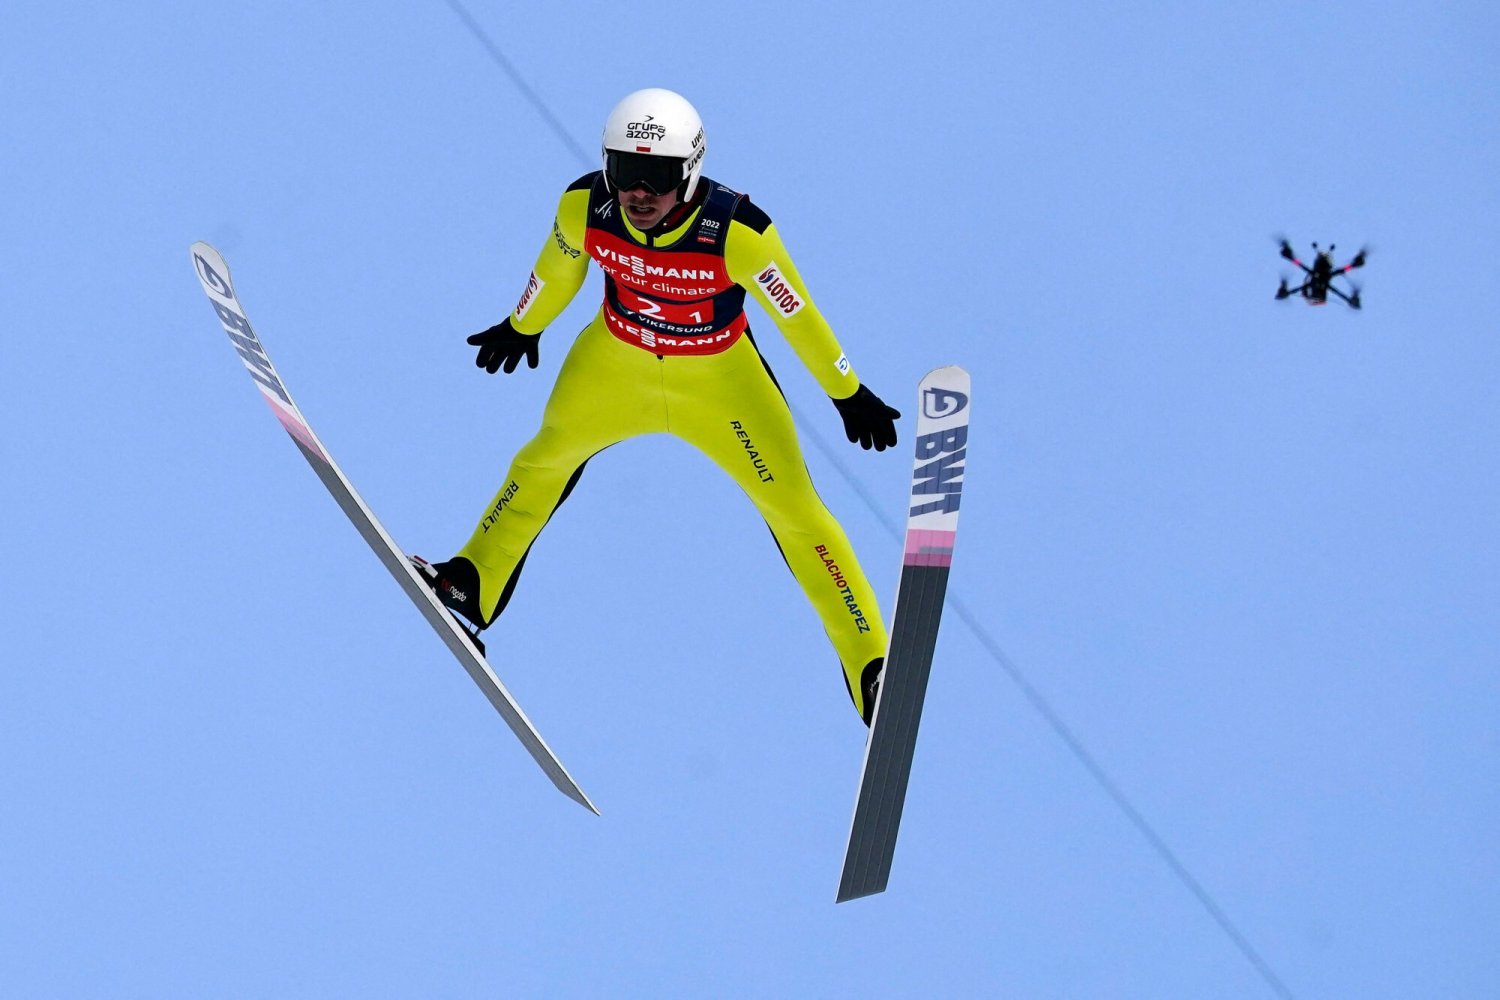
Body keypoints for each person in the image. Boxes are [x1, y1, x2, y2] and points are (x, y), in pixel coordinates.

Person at [413, 88, 901, 724]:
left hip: (721, 385)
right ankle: (471, 584)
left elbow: (796, 315)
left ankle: (871, 663)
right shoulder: (585, 206)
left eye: (659, 177)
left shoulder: (739, 233)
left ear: (691, 170)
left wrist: (847, 392)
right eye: (624, 171)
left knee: (796, 510)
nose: (639, 192)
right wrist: (522, 324)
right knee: (542, 460)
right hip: (615, 367)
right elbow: (557, 272)